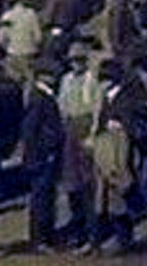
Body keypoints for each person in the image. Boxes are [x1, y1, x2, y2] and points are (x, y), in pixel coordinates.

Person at [57, 42, 102, 251]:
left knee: (89, 187)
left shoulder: (92, 81)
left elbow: (97, 110)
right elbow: (62, 108)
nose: (77, 64)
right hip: (70, 133)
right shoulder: (66, 81)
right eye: (74, 60)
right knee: (72, 186)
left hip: (86, 132)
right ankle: (78, 232)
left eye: (81, 60)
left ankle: (93, 236)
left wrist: (92, 136)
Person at [89, 57, 136, 256]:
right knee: (106, 198)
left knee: (120, 197)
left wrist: (119, 125)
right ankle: (114, 238)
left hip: (119, 152)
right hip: (105, 153)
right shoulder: (105, 98)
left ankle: (124, 239)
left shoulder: (124, 99)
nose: (104, 83)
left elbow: (130, 126)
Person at [21, 58, 65, 253]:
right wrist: (44, 151)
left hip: (44, 155)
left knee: (45, 198)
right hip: (42, 157)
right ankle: (40, 239)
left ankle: (45, 237)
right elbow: (30, 130)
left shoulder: (41, 95)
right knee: (41, 199)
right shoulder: (39, 98)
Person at [0, 0, 42, 83]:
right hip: (28, 56)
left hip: (12, 56)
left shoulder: (6, 16)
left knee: (11, 84)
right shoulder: (31, 14)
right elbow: (38, 38)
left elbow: (0, 40)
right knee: (28, 83)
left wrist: (10, 48)